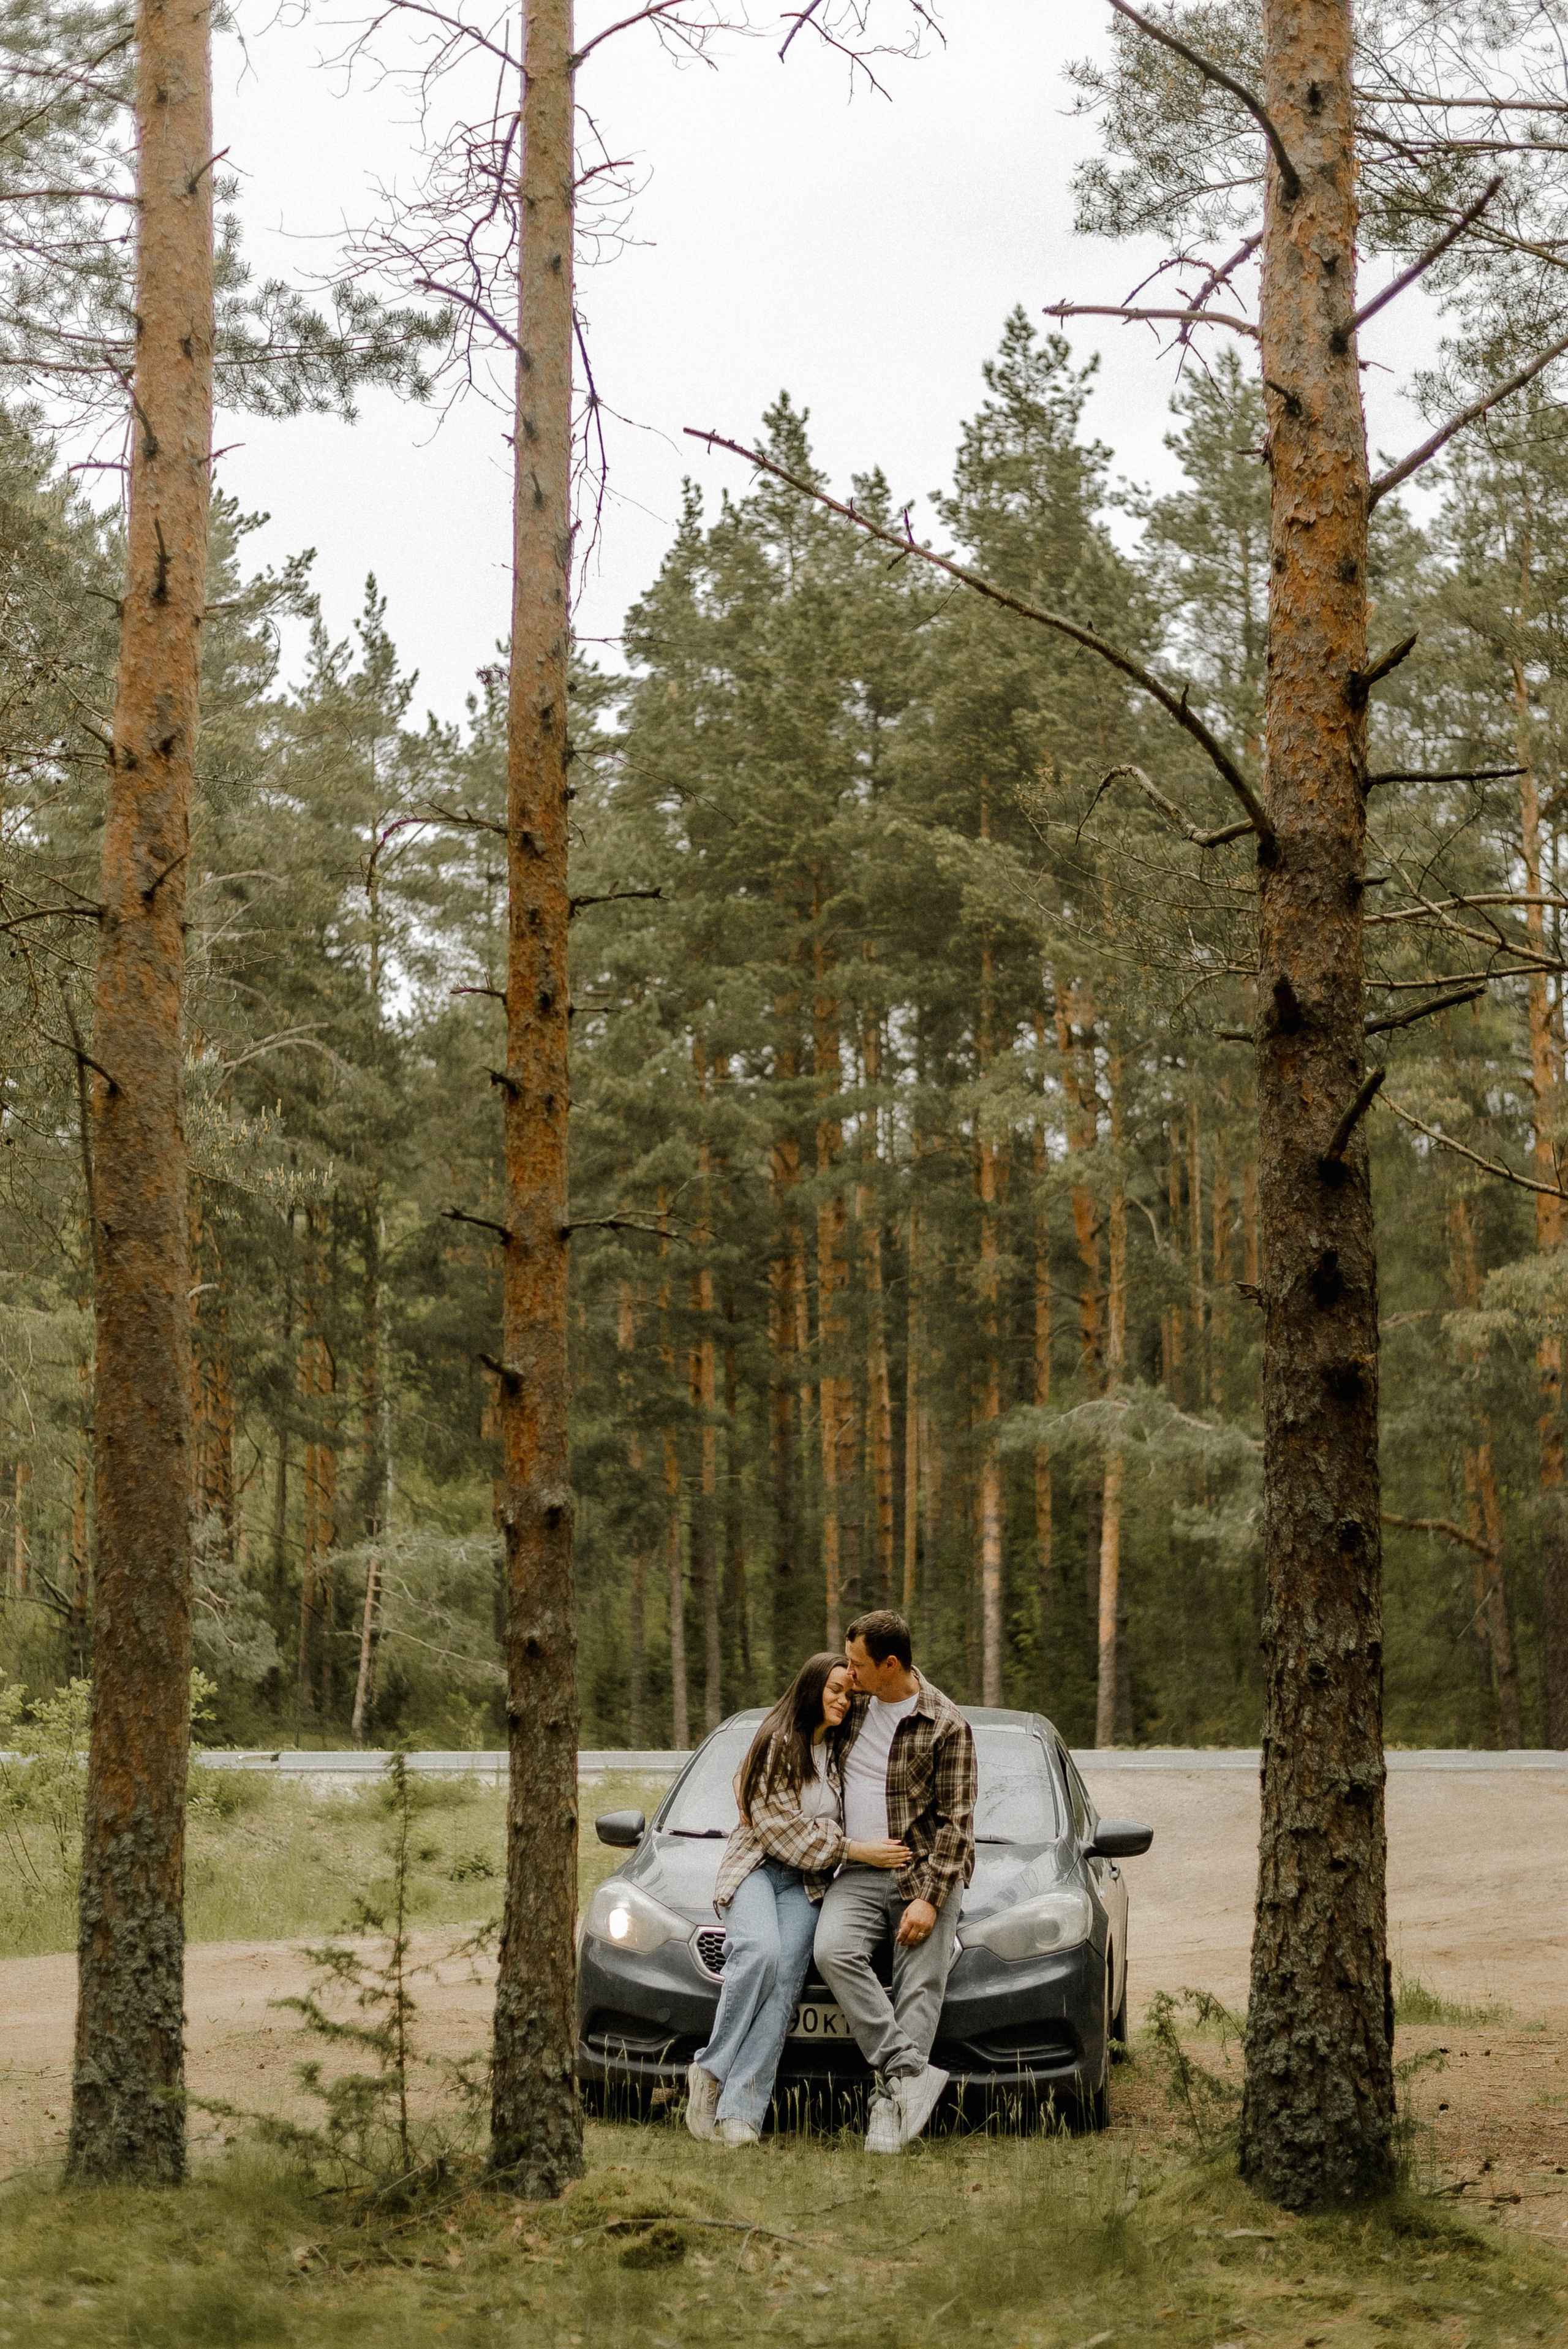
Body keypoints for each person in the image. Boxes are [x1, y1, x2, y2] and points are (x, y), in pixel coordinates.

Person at [686, 1651, 911, 2148]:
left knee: (786, 1977)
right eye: (834, 1689)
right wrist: (850, 1847)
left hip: (808, 1883)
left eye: (849, 1694)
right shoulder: (776, 1741)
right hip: (757, 1871)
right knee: (760, 1954)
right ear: (810, 1687)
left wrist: (833, 1834)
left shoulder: (837, 1748)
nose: (843, 1701)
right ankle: (710, 2071)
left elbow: (841, 1814)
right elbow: (778, 1832)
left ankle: (742, 2113)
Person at [813, 1608, 977, 2155]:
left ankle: (887, 2110)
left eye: (858, 1665)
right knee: (833, 1950)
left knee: (919, 1985)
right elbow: (799, 1736)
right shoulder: (851, 1706)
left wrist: (930, 1899)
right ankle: (909, 2071)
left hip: (924, 1870)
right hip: (859, 1868)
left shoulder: (946, 1723)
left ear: (890, 1664)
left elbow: (958, 1823)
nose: (849, 1673)